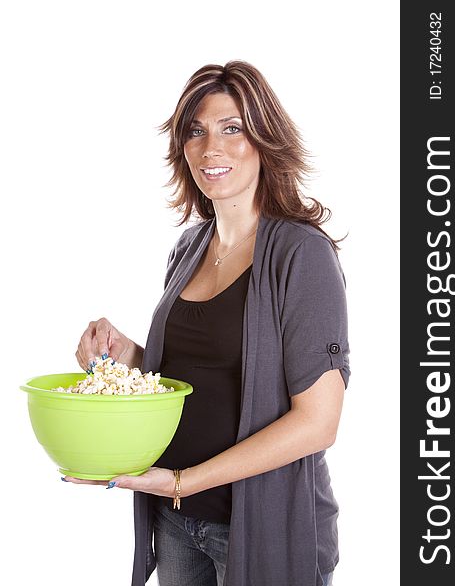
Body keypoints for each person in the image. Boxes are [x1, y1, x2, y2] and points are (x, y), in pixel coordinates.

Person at [67, 60, 350, 586]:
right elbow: (189, 373)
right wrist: (123, 355)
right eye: (195, 131)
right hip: (177, 521)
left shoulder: (300, 255)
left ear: (265, 140)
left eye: (232, 128)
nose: (209, 147)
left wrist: (182, 479)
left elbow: (319, 422)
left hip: (259, 524)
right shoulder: (189, 248)